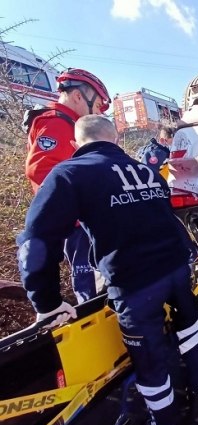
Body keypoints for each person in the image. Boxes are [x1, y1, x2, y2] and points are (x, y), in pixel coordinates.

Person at [17, 115, 198, 425]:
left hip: (135, 284)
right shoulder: (147, 171)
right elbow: (164, 218)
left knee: (149, 363)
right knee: (188, 327)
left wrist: (46, 302)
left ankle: (167, 422)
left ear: (76, 144)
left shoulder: (70, 174)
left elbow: (36, 244)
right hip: (175, 268)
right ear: (116, 139)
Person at [22, 68, 111, 304]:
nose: (98, 113)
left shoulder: (67, 122)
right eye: (98, 106)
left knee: (95, 274)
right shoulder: (57, 123)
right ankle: (92, 320)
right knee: (89, 279)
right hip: (77, 222)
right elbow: (41, 170)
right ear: (79, 96)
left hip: (80, 219)